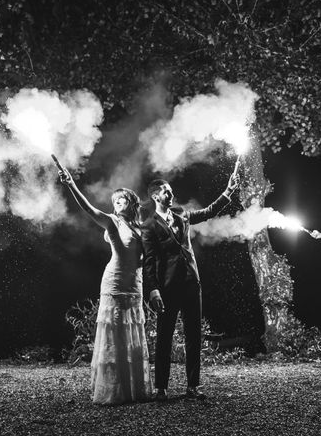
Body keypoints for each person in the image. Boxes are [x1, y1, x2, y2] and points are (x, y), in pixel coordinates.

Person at [142, 172, 239, 401]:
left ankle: (193, 386)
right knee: (164, 337)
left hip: (191, 283)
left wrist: (228, 192)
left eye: (170, 189)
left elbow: (208, 212)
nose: (171, 193)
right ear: (156, 196)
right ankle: (161, 388)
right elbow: (148, 262)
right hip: (167, 286)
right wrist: (153, 289)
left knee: (194, 335)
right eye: (166, 190)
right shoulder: (148, 226)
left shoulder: (182, 214)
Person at [58, 168, 152, 405]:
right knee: (116, 335)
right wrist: (71, 184)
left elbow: (147, 258)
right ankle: (114, 391)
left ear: (131, 202)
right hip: (115, 282)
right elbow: (89, 209)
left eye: (122, 199)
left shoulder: (142, 228)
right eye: (115, 200)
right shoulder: (112, 222)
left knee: (131, 334)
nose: (117, 202)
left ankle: (133, 389)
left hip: (135, 285)